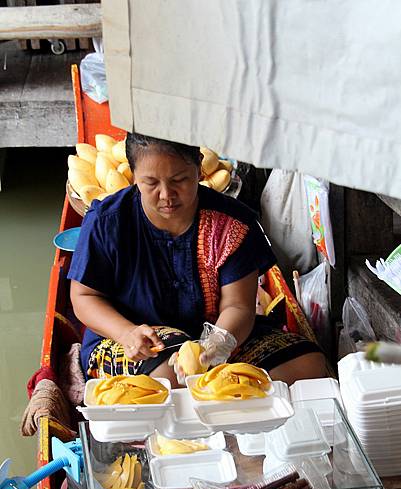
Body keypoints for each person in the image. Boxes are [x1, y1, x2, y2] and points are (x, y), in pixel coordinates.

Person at [68, 133, 326, 387]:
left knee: (309, 366)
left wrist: (216, 345)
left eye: (179, 179)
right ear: (133, 176)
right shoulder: (107, 221)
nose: (166, 195)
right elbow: (84, 298)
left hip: (215, 334)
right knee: (170, 378)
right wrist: (125, 332)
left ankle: (217, 399)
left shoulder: (232, 223)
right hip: (135, 340)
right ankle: (218, 397)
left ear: (199, 168)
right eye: (151, 183)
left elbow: (238, 306)